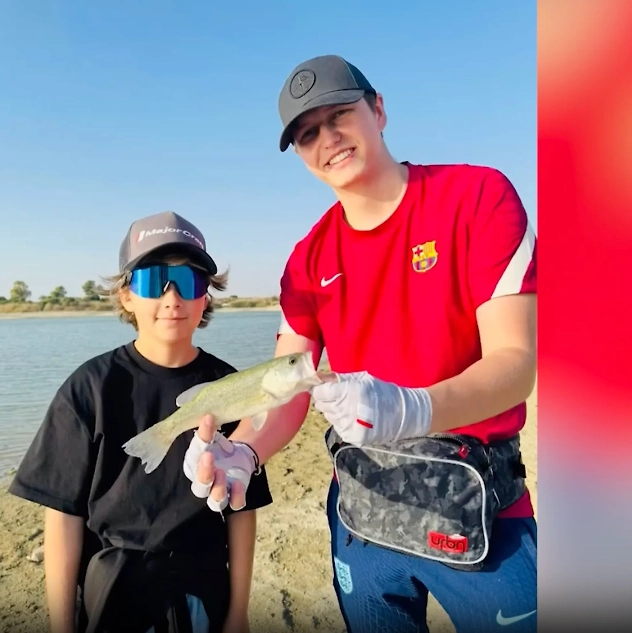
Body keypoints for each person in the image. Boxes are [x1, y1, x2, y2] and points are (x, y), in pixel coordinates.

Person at [182, 55, 538, 633]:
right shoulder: (307, 259)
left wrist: (413, 407)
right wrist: (244, 450)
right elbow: (286, 387)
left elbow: (515, 363)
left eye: (339, 115)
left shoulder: (476, 197)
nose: (328, 139)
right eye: (307, 133)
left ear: (378, 110)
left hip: (479, 510)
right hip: (361, 515)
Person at [9, 210, 272, 633]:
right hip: (113, 589)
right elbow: (63, 516)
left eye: (188, 282)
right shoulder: (88, 388)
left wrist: (238, 612)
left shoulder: (230, 387)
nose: (172, 299)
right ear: (127, 296)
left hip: (202, 589)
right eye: (152, 281)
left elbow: (244, 509)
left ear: (206, 295)